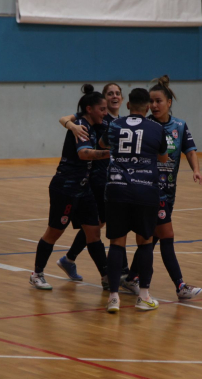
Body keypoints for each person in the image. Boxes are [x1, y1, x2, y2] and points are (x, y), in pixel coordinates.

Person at [121, 75, 202, 300]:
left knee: (153, 237)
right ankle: (180, 286)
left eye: (158, 101)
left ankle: (131, 277)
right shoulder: (146, 125)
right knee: (166, 234)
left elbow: (190, 150)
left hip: (169, 191)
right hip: (150, 190)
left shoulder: (179, 126)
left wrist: (196, 170)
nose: (154, 105)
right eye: (151, 101)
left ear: (169, 102)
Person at [29, 84, 111, 291]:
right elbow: (84, 154)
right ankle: (37, 274)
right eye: (102, 109)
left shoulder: (92, 123)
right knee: (54, 232)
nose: (105, 112)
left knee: (93, 232)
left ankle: (106, 277)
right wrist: (111, 154)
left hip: (84, 189)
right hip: (65, 188)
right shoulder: (81, 126)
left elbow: (67, 119)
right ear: (90, 109)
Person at [100, 88, 168, 312]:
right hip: (145, 190)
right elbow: (163, 157)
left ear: (128, 105)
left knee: (116, 243)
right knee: (145, 242)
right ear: (148, 107)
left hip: (117, 189)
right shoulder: (157, 128)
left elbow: (102, 144)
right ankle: (144, 296)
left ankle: (113, 298)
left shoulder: (114, 125)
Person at [55, 83, 130, 284]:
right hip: (97, 179)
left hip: (113, 178)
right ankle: (121, 272)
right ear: (103, 99)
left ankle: (69, 259)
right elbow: (64, 118)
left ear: (122, 98)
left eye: (117, 93)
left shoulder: (122, 122)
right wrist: (71, 126)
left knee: (96, 225)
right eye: (110, 93)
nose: (114, 96)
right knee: (110, 223)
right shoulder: (97, 117)